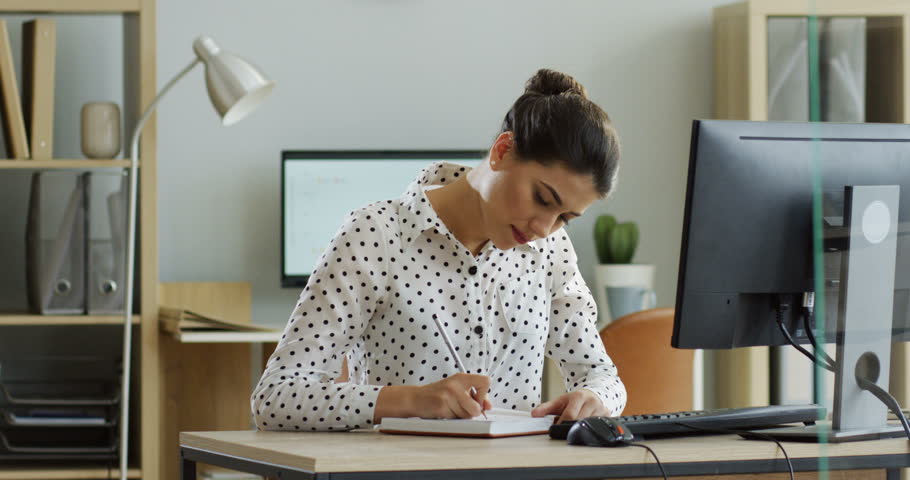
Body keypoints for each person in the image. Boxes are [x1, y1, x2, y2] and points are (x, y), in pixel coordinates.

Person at [252, 68, 626, 431]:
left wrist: (596, 397)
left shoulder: (550, 250)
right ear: (503, 151)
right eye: (542, 198)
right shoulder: (376, 235)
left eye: (565, 217)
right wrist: (411, 401)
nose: (544, 228)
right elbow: (275, 398)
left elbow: (601, 374)